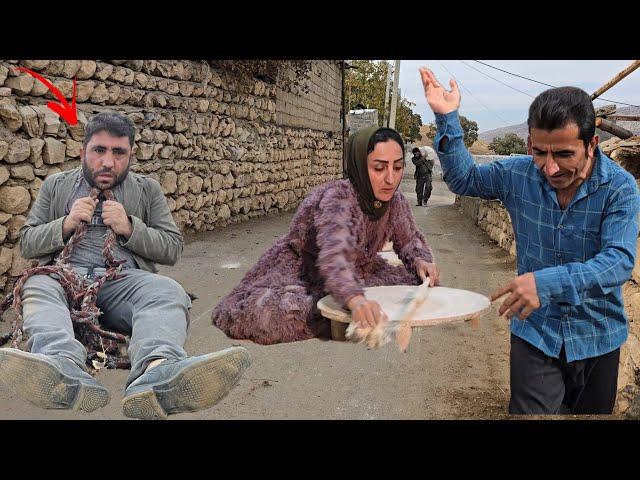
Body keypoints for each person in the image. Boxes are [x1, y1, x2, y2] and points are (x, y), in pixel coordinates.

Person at [0, 112, 250, 420]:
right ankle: (60, 362)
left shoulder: (147, 190)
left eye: (118, 153)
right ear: (84, 152)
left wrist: (130, 227)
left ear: (131, 154)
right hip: (62, 278)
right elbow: (27, 243)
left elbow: (172, 248)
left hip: (121, 280)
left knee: (168, 290)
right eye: (99, 151)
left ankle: (158, 372)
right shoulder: (57, 186)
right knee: (37, 285)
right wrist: (64, 224)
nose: (107, 162)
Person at [419, 67, 640, 415]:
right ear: (528, 144)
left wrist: (547, 282)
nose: (549, 168)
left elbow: (618, 261)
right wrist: (447, 118)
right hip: (536, 335)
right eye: (540, 152)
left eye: (564, 154)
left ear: (592, 144)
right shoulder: (517, 174)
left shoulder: (620, 188)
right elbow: (463, 179)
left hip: (599, 337)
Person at [213, 126, 440, 344]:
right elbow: (334, 257)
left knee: (418, 283)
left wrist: (421, 260)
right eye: (379, 168)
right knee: (269, 313)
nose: (390, 179)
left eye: (398, 168)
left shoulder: (395, 201)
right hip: (304, 270)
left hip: (360, 270)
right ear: (360, 165)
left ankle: (345, 310)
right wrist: (355, 299)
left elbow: (409, 239)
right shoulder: (339, 198)